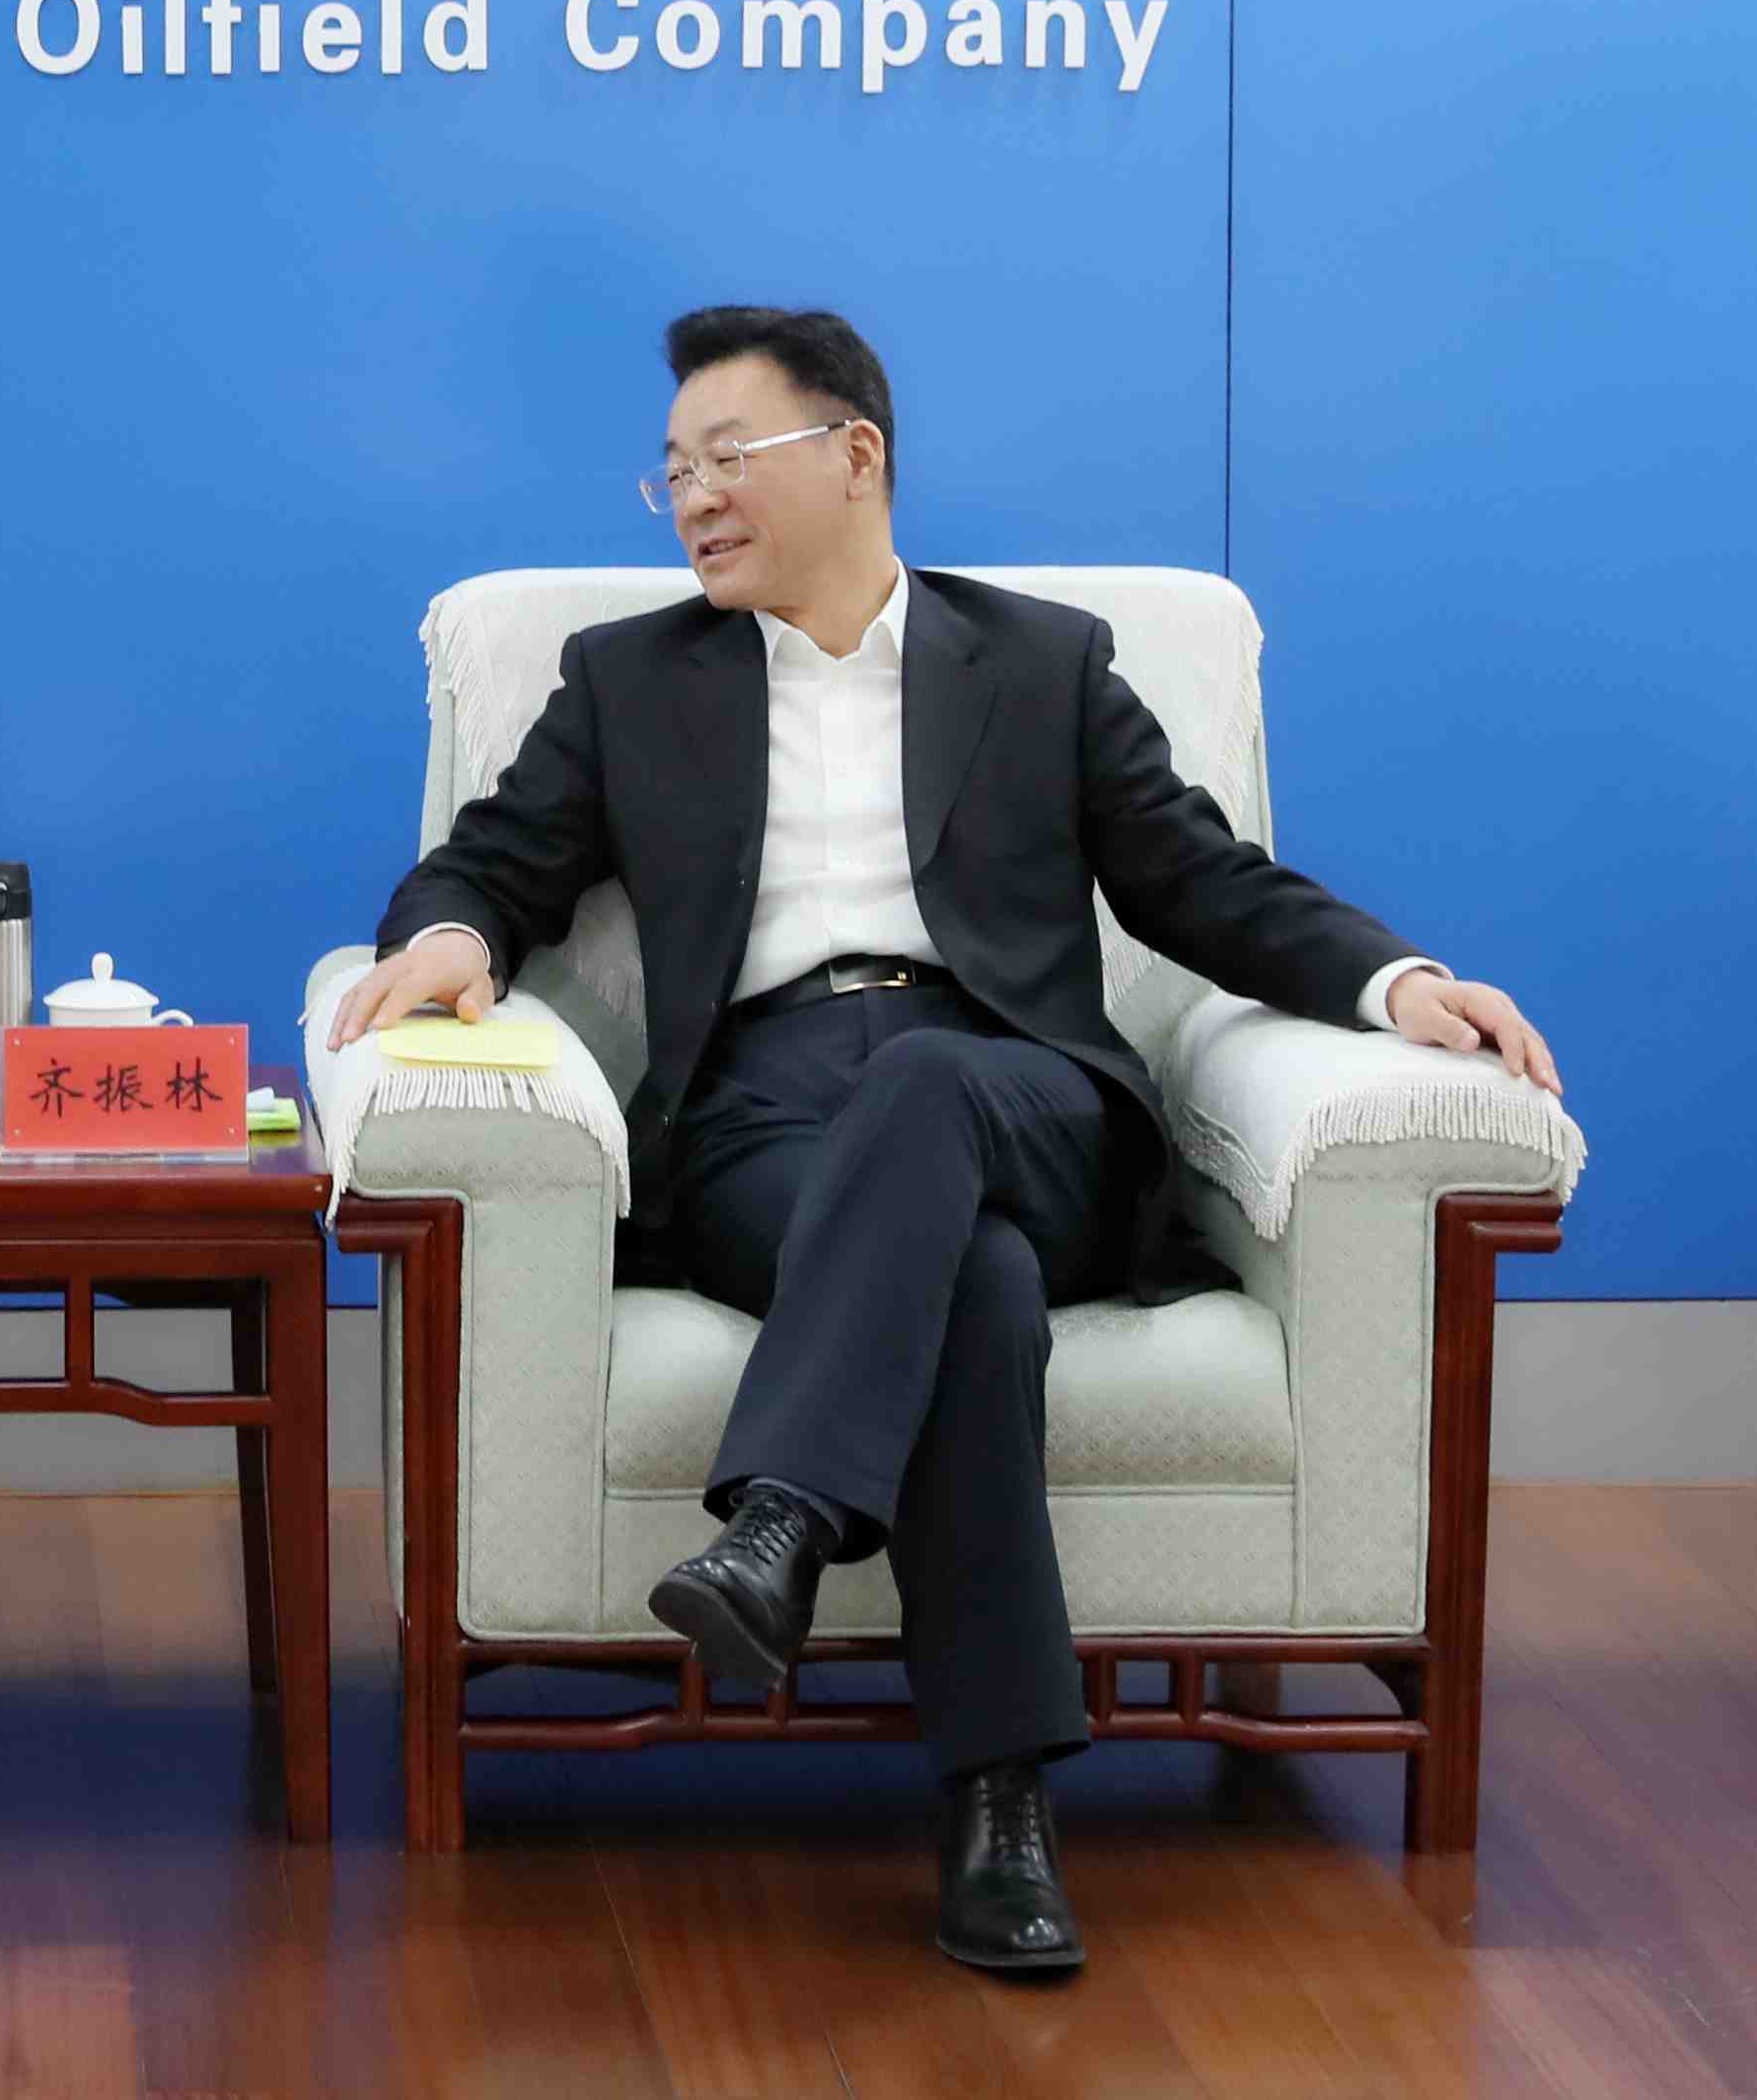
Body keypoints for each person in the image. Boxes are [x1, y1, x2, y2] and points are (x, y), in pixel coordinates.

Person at [322, 305, 1556, 1976]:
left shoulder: (1038, 662)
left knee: (927, 1095)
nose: (690, 499)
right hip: (761, 1120)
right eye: (669, 472)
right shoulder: (628, 679)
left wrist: (1396, 980)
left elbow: (1200, 881)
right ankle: (999, 1811)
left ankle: (779, 1515)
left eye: (724, 457)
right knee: (967, 1291)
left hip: (1020, 1092)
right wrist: (454, 940)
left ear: (855, 456)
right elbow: (492, 858)